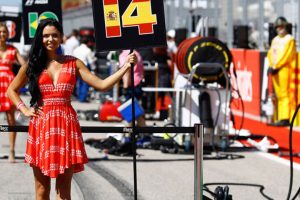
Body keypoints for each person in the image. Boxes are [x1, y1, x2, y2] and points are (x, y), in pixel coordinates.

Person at [6, 18, 137, 199]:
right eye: (45, 36)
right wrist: (24, 110)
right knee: (41, 190)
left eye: (54, 35)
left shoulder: (73, 63)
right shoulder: (33, 64)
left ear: (61, 37)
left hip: (66, 126)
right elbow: (11, 90)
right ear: (40, 38)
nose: (50, 39)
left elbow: (101, 84)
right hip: (41, 127)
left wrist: (125, 67)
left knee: (64, 191)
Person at [0, 22, 26, 163]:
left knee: (11, 120)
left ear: (8, 34)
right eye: (0, 31)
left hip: (8, 86)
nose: (2, 34)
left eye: (4, 32)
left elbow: (25, 66)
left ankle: (11, 150)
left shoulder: (13, 49)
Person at [267, 16, 297, 126]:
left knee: (284, 93)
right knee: (278, 94)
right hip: (275, 70)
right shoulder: (275, 40)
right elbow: (270, 53)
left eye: (282, 26)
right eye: (278, 27)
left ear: (286, 27)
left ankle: (285, 117)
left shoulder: (289, 39)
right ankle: (279, 117)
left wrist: (277, 66)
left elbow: (288, 55)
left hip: (284, 69)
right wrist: (271, 66)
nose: (280, 28)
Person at [119, 49, 145, 127]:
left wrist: (125, 87)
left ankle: (129, 133)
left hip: (130, 85)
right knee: (136, 110)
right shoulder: (137, 53)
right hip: (138, 83)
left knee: (130, 112)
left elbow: (127, 70)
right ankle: (143, 130)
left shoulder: (124, 55)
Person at [73, 36, 97, 102]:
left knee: (79, 82)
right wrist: (94, 68)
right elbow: (91, 61)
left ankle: (79, 96)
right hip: (84, 67)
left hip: (75, 66)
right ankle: (83, 98)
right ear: (88, 42)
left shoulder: (76, 50)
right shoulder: (88, 50)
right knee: (85, 83)